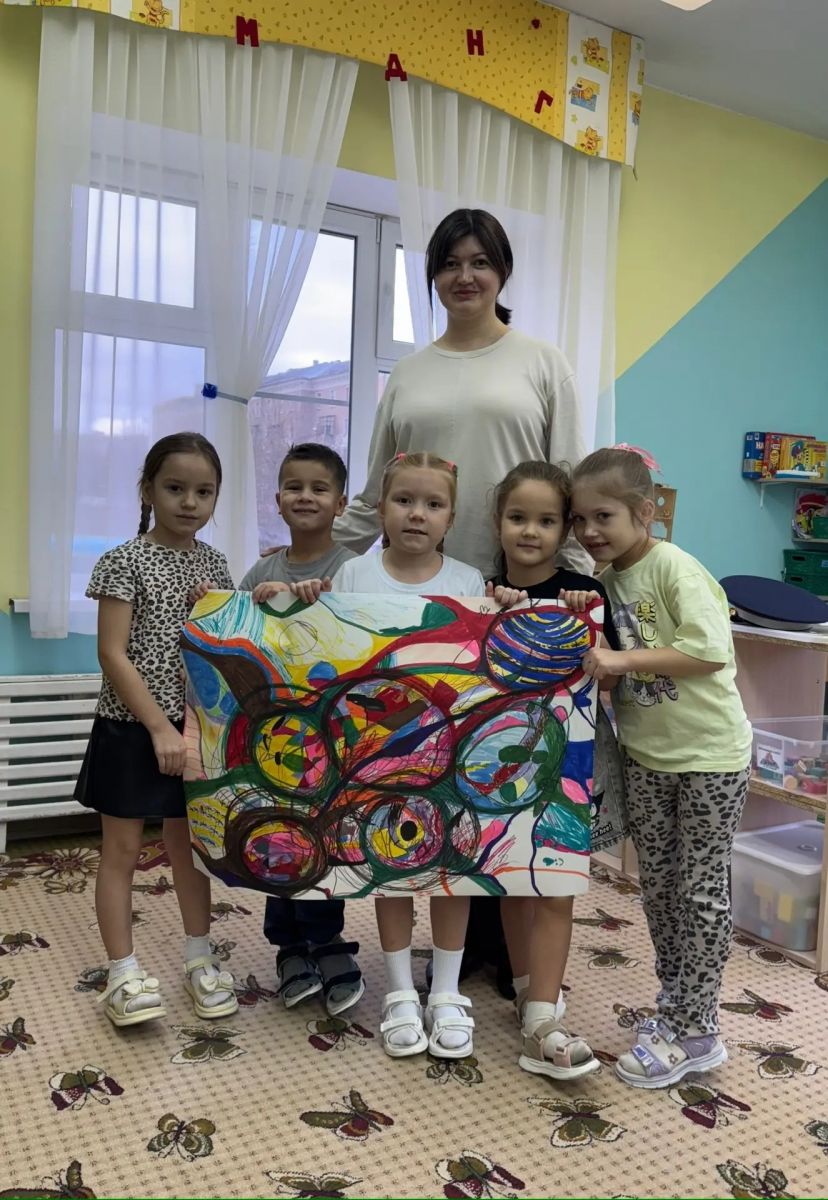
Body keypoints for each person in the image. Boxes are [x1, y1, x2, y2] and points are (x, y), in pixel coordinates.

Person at [292, 451, 516, 1060]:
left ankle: (445, 991)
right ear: (381, 509)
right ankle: (398, 991)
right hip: (376, 754)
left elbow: (487, 659)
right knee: (386, 864)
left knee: (452, 871)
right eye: (404, 500)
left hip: (452, 752)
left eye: (433, 504)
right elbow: (323, 647)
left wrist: (508, 606)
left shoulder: (468, 582)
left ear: (451, 518)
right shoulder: (354, 574)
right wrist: (298, 597)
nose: (418, 514)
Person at [569, 446, 752, 1089]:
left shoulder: (674, 566)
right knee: (658, 888)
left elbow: (708, 651)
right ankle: (675, 1008)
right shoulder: (607, 582)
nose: (590, 531)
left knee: (700, 891)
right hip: (647, 758)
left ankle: (699, 1029)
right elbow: (616, 674)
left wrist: (621, 662)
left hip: (710, 759)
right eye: (580, 518)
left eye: (604, 516)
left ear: (644, 512)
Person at [74, 432, 238, 1028]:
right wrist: (156, 728)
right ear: (147, 490)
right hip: (130, 727)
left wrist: (217, 608)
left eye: (204, 492)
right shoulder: (123, 561)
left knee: (188, 847)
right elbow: (112, 654)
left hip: (194, 728)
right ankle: (122, 974)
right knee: (120, 850)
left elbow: (223, 644)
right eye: (174, 488)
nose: (189, 502)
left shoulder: (214, 564)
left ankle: (199, 958)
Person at [332, 208, 591, 579]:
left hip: (516, 584)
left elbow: (572, 489)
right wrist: (312, 552)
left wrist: (578, 582)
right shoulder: (407, 372)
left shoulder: (545, 362)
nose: (465, 277)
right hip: (418, 581)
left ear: (503, 270)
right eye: (450, 264)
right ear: (434, 276)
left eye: (480, 263)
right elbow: (375, 495)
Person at [488, 460, 619, 1081]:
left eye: (545, 521)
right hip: (497, 765)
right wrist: (492, 607)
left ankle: (543, 1018)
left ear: (564, 528)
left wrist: (584, 617)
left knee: (556, 881)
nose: (529, 531)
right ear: (497, 521)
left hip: (564, 766)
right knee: (512, 878)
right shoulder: (482, 589)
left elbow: (609, 675)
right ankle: (526, 992)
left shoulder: (584, 593)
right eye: (518, 517)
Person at [237, 443, 363, 1016]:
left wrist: (319, 600)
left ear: (341, 503)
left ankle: (327, 939)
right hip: (272, 734)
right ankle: (288, 947)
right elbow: (235, 633)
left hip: (333, 736)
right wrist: (257, 602)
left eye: (319, 488)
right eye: (294, 486)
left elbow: (365, 635)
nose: (305, 496)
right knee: (275, 835)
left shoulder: (352, 570)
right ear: (277, 498)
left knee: (324, 837)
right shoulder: (262, 570)